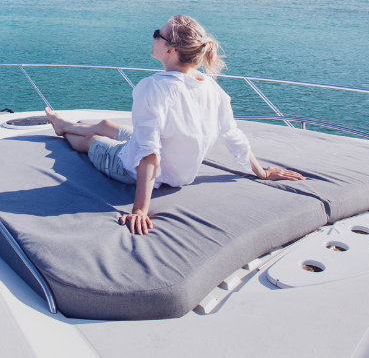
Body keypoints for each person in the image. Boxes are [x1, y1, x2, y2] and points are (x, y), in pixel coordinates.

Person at [45, 15, 305, 235]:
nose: (153, 36)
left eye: (158, 33)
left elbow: (148, 154)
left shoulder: (153, 88)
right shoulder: (210, 87)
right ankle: (73, 123)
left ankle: (63, 129)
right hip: (178, 171)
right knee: (105, 124)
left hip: (130, 167)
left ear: (170, 50)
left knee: (91, 142)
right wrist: (261, 172)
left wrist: (139, 210)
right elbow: (232, 134)